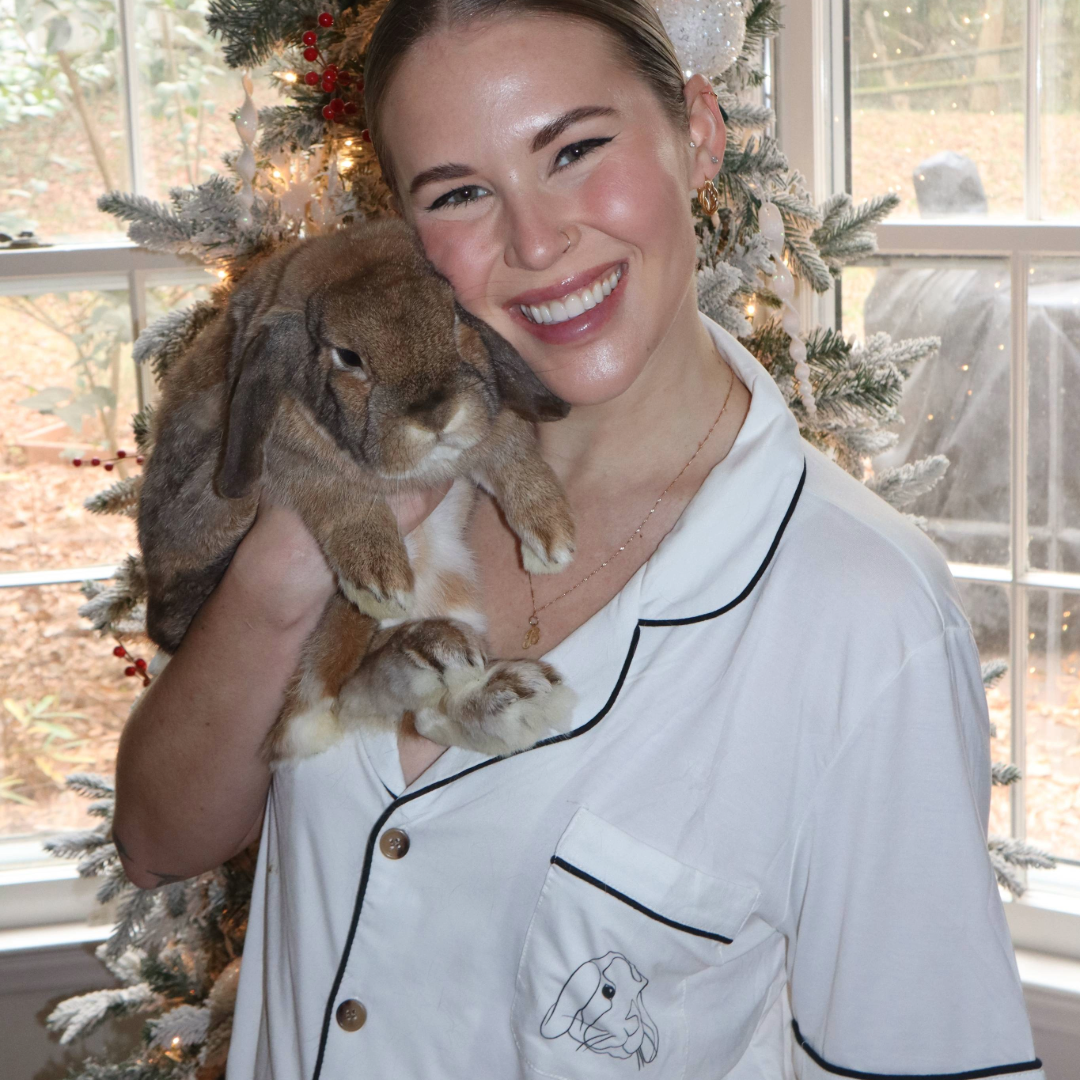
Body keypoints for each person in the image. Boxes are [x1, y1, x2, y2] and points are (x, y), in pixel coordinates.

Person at [112, 1, 1045, 1076]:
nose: (538, 240)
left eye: (576, 150)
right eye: (461, 192)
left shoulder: (861, 615)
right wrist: (284, 572)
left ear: (697, 130)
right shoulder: (362, 475)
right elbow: (157, 839)